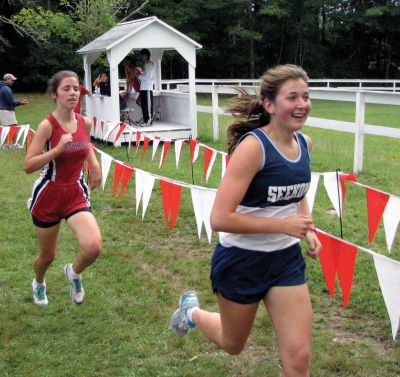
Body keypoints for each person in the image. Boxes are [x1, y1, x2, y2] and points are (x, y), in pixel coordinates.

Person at [171, 64, 322, 377]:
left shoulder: (303, 144)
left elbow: (296, 193)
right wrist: (283, 225)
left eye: (305, 96)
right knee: (232, 343)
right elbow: (219, 217)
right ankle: (193, 313)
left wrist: (307, 227)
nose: (302, 104)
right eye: (292, 97)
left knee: (299, 360)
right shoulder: (254, 147)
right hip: (242, 260)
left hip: (285, 261)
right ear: (269, 104)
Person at [24, 70, 102, 306]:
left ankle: (74, 273)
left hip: (75, 192)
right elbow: (28, 165)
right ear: (55, 94)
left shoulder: (84, 122)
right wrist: (56, 151)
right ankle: (39, 282)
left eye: (76, 88)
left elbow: (85, 143)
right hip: (48, 195)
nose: (72, 93)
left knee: (93, 247)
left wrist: (95, 163)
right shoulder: (47, 126)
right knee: (47, 256)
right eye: (66, 88)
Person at [0, 73, 28, 147]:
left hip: (3, 110)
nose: (13, 81)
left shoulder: (3, 87)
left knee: (6, 127)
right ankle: (14, 144)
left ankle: (5, 144)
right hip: (7, 110)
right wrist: (20, 102)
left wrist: (18, 102)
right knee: (13, 126)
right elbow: (11, 101)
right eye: (12, 80)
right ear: (8, 79)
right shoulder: (6, 89)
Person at [138, 48, 154, 125]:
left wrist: (138, 76)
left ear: (146, 55)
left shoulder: (150, 65)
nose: (141, 57)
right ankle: (145, 120)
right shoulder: (146, 65)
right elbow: (145, 75)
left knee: (148, 106)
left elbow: (148, 77)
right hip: (143, 88)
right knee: (144, 105)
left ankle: (148, 121)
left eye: (142, 56)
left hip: (147, 88)